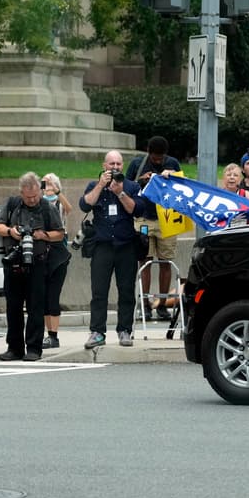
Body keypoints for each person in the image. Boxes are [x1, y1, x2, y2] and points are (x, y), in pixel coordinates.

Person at [0, 172, 67, 362]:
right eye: (28, 197)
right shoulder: (12, 204)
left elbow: (60, 233)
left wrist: (43, 236)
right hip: (14, 263)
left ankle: (34, 348)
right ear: (21, 193)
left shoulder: (46, 207)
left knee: (36, 307)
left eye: (35, 196)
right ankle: (14, 348)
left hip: (38, 262)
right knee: (13, 307)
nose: (33, 200)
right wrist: (12, 231)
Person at [80, 150, 146, 349]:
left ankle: (124, 330)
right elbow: (85, 205)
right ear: (104, 165)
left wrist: (120, 192)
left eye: (118, 164)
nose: (115, 167)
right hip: (102, 246)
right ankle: (97, 332)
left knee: (126, 291)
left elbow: (138, 209)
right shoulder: (94, 185)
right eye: (111, 164)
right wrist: (102, 185)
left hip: (126, 245)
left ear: (122, 166)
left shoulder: (132, 186)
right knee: (99, 292)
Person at [125, 135, 182, 321]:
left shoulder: (173, 163)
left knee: (166, 261)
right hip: (143, 219)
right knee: (145, 261)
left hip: (167, 218)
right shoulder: (138, 164)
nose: (158, 161)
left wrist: (170, 176)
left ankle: (163, 305)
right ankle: (146, 303)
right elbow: (126, 187)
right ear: (148, 152)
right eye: (155, 158)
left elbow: (182, 186)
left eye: (161, 158)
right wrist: (141, 180)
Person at [41, 172, 72, 349]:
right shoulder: (38, 202)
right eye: (45, 183)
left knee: (53, 295)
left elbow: (69, 209)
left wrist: (57, 190)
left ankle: (54, 335)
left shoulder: (59, 202)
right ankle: (48, 334)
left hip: (58, 252)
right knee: (44, 296)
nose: (48, 186)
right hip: (42, 251)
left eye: (50, 183)